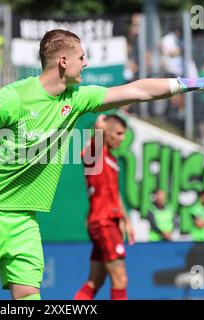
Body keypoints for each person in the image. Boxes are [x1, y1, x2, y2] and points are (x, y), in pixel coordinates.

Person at [0, 29, 204, 300]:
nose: (86, 63)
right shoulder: (13, 98)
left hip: (24, 221)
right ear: (64, 61)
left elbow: (136, 90)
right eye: (82, 58)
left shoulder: (77, 98)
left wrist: (192, 82)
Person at [74, 114, 135, 300]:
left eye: (124, 134)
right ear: (106, 132)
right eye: (118, 133)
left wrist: (125, 220)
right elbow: (89, 152)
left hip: (109, 221)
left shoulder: (112, 160)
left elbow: (115, 195)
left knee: (95, 280)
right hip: (103, 222)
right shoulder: (95, 154)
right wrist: (98, 127)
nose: (122, 138)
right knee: (120, 279)